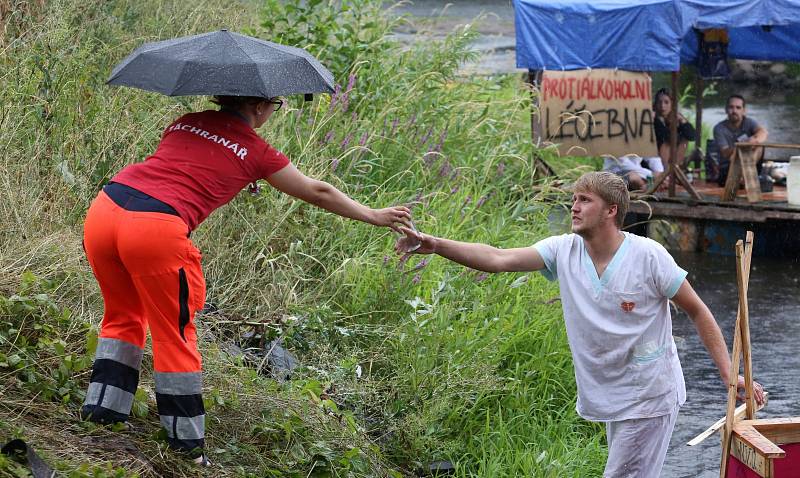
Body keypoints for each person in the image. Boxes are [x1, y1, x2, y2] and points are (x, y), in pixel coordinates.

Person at [80, 95, 412, 464]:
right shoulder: (257, 151)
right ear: (258, 106)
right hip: (154, 229)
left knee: (123, 316)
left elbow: (192, 162)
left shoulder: (186, 121)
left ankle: (103, 415)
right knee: (175, 334)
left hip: (106, 211)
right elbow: (317, 190)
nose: (274, 112)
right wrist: (373, 214)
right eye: (277, 105)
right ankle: (186, 448)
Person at [395, 171, 764, 478]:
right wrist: (436, 244)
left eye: (585, 200)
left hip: (649, 393)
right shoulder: (563, 250)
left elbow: (698, 311)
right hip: (610, 394)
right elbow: (498, 258)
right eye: (574, 198)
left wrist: (731, 375)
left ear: (611, 210)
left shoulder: (648, 257)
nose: (573, 206)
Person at [713, 94, 768, 185]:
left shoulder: (749, 122)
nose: (734, 111)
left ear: (744, 111)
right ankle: (745, 176)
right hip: (728, 170)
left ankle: (745, 174)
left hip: (749, 167)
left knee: (759, 146)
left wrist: (754, 140)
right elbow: (725, 153)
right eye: (731, 107)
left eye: (738, 108)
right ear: (726, 110)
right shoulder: (719, 128)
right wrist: (743, 145)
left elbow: (764, 132)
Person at [653, 88, 696, 172]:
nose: (662, 106)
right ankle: (666, 171)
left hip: (672, 157)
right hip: (655, 157)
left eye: (666, 102)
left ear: (672, 104)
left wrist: (682, 120)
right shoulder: (653, 119)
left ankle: (675, 169)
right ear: (655, 104)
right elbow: (664, 136)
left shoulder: (675, 118)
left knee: (684, 139)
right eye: (659, 102)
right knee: (666, 143)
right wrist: (658, 119)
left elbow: (692, 136)